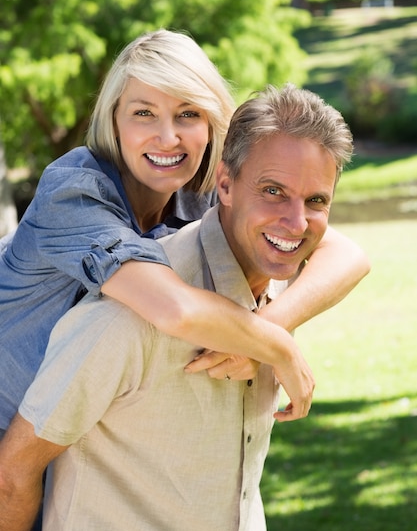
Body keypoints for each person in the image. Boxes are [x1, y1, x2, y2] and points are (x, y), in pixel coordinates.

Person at [0, 84, 362, 531]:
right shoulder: (131, 313)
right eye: (272, 191)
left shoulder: (276, 281)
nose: (295, 222)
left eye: (316, 199)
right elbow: (14, 470)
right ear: (225, 185)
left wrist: (269, 331)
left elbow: (350, 255)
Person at [0, 28, 369, 441]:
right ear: (114, 120)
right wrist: (277, 348)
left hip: (64, 440)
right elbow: (173, 307)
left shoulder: (201, 192)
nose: (168, 137)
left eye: (188, 114)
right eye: (144, 113)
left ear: (212, 123)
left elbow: (347, 255)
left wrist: (270, 325)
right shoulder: (73, 194)